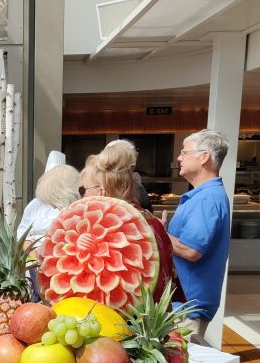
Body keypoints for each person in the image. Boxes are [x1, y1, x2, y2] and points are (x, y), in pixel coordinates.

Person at [93, 140, 183, 305]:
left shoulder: (100, 224)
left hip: (108, 312)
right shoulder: (149, 220)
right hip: (146, 314)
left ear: (103, 189)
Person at [162, 129, 232, 341]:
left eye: (184, 152)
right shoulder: (204, 195)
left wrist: (158, 234)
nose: (179, 157)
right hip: (185, 302)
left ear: (204, 157)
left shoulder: (206, 198)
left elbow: (191, 250)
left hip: (187, 305)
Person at [17, 164, 80, 248]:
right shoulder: (35, 204)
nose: (53, 207)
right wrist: (29, 249)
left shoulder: (78, 209)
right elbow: (22, 231)